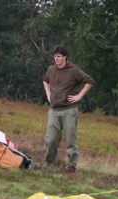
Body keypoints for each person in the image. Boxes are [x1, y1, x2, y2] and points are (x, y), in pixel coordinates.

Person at [42, 45, 95, 173]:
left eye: (59, 56)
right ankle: (49, 163)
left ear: (65, 57)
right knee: (51, 139)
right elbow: (45, 80)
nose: (56, 59)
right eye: (55, 56)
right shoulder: (51, 70)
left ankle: (71, 165)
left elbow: (90, 81)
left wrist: (79, 96)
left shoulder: (74, 71)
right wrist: (48, 94)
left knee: (71, 139)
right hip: (54, 110)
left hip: (69, 110)